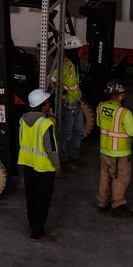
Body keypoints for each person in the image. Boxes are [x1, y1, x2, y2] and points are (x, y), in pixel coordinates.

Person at [17, 88, 59, 241]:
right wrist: (58, 166)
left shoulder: (22, 120)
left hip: (27, 164)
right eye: (47, 103)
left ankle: (32, 225)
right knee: (43, 199)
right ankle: (38, 232)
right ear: (43, 106)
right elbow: (51, 148)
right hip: (44, 167)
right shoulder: (45, 124)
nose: (49, 106)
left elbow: (21, 141)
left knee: (31, 197)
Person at [96, 81, 133, 218]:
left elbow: (99, 123)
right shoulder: (124, 112)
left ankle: (102, 202)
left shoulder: (101, 107)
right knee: (120, 179)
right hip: (119, 152)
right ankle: (118, 205)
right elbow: (132, 131)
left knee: (104, 176)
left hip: (104, 150)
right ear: (120, 96)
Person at [54, 34, 90, 172]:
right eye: (80, 49)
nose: (82, 51)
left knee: (78, 130)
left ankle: (74, 155)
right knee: (65, 134)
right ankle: (64, 160)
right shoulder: (64, 65)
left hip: (77, 104)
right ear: (74, 50)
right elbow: (51, 79)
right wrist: (61, 91)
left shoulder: (75, 66)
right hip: (68, 107)